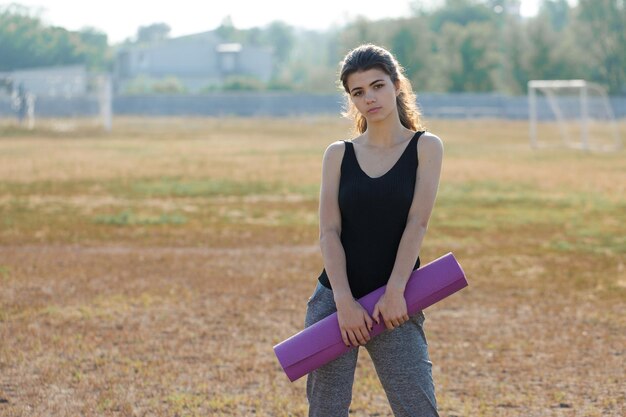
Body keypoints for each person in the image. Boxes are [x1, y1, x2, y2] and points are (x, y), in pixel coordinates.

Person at [303, 44, 444, 417]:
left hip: (394, 303)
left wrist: (396, 290)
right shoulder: (338, 154)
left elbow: (418, 222)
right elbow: (329, 232)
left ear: (397, 86)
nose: (370, 98)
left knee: (419, 410)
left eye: (377, 86)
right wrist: (344, 303)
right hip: (335, 303)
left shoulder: (425, 147)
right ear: (351, 99)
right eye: (358, 92)